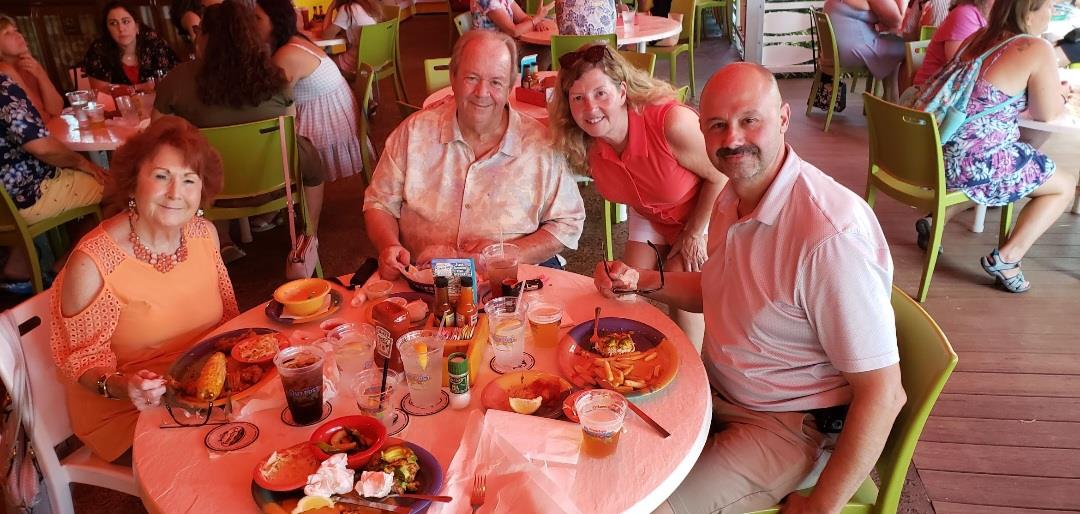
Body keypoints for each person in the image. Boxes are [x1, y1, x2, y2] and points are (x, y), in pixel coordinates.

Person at [597, 63, 906, 514]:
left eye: (749, 120)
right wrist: (641, 281)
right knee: (605, 448)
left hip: (789, 426)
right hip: (717, 390)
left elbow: (885, 393)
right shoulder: (734, 197)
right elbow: (718, 290)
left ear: (783, 119)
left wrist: (822, 506)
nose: (733, 139)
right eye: (717, 125)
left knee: (646, 505)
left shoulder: (829, 236)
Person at [49, 116, 237, 463]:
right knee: (231, 459)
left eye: (189, 180)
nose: (175, 193)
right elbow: (83, 361)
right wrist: (127, 387)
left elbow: (227, 322)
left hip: (204, 393)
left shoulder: (204, 235)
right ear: (133, 183)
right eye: (161, 176)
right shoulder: (93, 263)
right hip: (128, 412)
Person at [364, 30, 585, 278]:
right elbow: (379, 203)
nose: (482, 92)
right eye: (471, 78)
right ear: (453, 77)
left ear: (510, 85)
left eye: (496, 82)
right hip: (424, 279)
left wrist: (510, 253)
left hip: (510, 280)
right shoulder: (414, 133)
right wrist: (389, 245)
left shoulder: (540, 145)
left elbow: (568, 222)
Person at [549, 42, 725, 346]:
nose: (590, 108)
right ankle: (630, 356)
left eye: (600, 93)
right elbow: (640, 197)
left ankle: (692, 365)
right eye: (578, 98)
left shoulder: (670, 123)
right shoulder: (586, 144)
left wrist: (694, 233)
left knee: (678, 275)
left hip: (709, 212)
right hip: (652, 215)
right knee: (622, 287)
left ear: (622, 92)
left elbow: (721, 175)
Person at [913, 0, 1078, 293]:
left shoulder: (980, 36)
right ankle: (1008, 259)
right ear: (1029, 11)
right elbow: (1047, 113)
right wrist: (1061, 95)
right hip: (971, 161)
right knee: (1064, 185)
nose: (1052, 14)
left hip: (937, 150)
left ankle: (938, 217)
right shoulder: (1035, 48)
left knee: (1003, 169)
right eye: (1049, 6)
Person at [154, 2, 328, 262]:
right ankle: (308, 235)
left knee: (192, 154)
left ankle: (220, 238)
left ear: (206, 36)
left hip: (214, 187)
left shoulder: (177, 79)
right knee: (309, 158)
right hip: (277, 179)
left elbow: (157, 132)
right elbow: (290, 123)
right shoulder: (273, 73)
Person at [0, 74, 106, 294]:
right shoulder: (2, 88)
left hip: (5, 206)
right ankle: (63, 270)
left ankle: (18, 270)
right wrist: (82, 162)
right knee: (120, 189)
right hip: (27, 196)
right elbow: (42, 147)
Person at [255, 0, 365, 182]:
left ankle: (282, 191)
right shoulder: (295, 41)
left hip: (326, 124)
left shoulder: (286, 55)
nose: (251, 24)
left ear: (275, 20)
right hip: (337, 114)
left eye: (257, 18)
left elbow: (268, 103)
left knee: (258, 137)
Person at [82, 1, 178, 94]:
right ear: (107, 30)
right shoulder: (99, 50)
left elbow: (173, 79)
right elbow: (101, 92)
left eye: (126, 21)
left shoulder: (154, 43)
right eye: (113, 23)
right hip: (119, 104)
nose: (121, 29)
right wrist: (138, 87)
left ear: (137, 26)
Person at [824, 0, 905, 99]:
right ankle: (893, 98)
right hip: (854, 50)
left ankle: (888, 97)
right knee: (902, 48)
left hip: (836, 51)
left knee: (891, 44)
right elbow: (896, 21)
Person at [912, 0, 995, 87]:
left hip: (950, 90)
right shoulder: (966, 15)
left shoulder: (987, 18)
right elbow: (958, 70)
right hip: (928, 90)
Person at [0, 15, 63, 121]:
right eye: (7, 33)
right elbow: (39, 117)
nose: (18, 35)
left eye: (15, 30)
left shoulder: (28, 64)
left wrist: (41, 74)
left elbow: (56, 109)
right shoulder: (4, 70)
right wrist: (47, 113)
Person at [319, 0, 385, 80]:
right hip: (377, 58)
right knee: (334, 54)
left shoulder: (347, 9)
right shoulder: (369, 6)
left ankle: (343, 87)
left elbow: (325, 36)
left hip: (360, 62)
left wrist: (330, 8)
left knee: (325, 63)